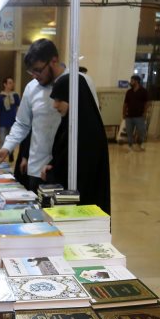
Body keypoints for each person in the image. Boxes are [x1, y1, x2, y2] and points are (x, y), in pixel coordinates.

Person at [0, 39, 67, 192]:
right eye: (31, 71)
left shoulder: (76, 83)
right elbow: (22, 123)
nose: (35, 76)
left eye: (38, 70)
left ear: (54, 60)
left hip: (64, 169)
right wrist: (7, 148)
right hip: (37, 169)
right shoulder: (32, 88)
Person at [48, 74, 111, 214]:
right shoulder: (69, 124)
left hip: (84, 207)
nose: (54, 105)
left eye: (59, 100)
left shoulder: (88, 130)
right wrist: (52, 166)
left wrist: (52, 173)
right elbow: (62, 156)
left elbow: (81, 174)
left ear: (74, 98)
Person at [123, 74, 150, 151]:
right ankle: (130, 145)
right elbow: (125, 103)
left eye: (132, 81)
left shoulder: (143, 91)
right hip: (129, 116)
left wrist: (145, 112)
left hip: (139, 116)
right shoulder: (129, 92)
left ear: (136, 81)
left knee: (141, 131)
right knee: (129, 132)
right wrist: (123, 113)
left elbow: (147, 103)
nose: (130, 82)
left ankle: (140, 144)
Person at [0, 77, 20, 151]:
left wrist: (19, 119)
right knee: (3, 141)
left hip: (13, 122)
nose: (12, 84)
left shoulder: (15, 95)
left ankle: (11, 154)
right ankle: (3, 156)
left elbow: (19, 108)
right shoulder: (0, 96)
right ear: (5, 84)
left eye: (12, 83)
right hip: (3, 122)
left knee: (12, 141)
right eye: (10, 83)